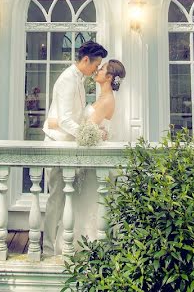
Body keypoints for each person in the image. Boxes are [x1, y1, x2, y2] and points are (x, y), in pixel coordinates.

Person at [51, 59, 126, 254]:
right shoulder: (102, 97)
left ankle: (89, 246)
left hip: (95, 162)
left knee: (89, 204)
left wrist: (56, 124)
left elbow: (86, 130)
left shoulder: (107, 100)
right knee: (82, 202)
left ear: (109, 77)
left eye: (101, 69)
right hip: (89, 160)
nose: (97, 70)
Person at [41, 40, 107, 256]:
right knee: (56, 198)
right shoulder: (68, 80)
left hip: (67, 144)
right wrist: (88, 135)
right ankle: (48, 248)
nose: (96, 69)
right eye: (95, 64)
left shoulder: (79, 79)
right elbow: (65, 120)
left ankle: (59, 244)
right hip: (57, 144)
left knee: (65, 196)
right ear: (86, 59)